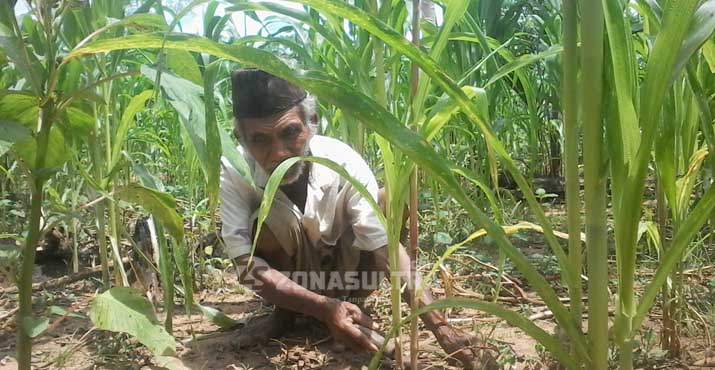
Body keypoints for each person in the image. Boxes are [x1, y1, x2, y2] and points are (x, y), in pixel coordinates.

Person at [220, 68, 496, 369]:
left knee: (389, 200)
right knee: (268, 220)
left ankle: (340, 304)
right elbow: (247, 268)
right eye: (260, 140)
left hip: (350, 274)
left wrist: (444, 331)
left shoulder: (341, 160)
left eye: (290, 132)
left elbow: (384, 248)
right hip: (291, 277)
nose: (280, 153)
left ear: (312, 124)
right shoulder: (234, 171)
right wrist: (324, 309)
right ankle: (286, 314)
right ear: (241, 139)